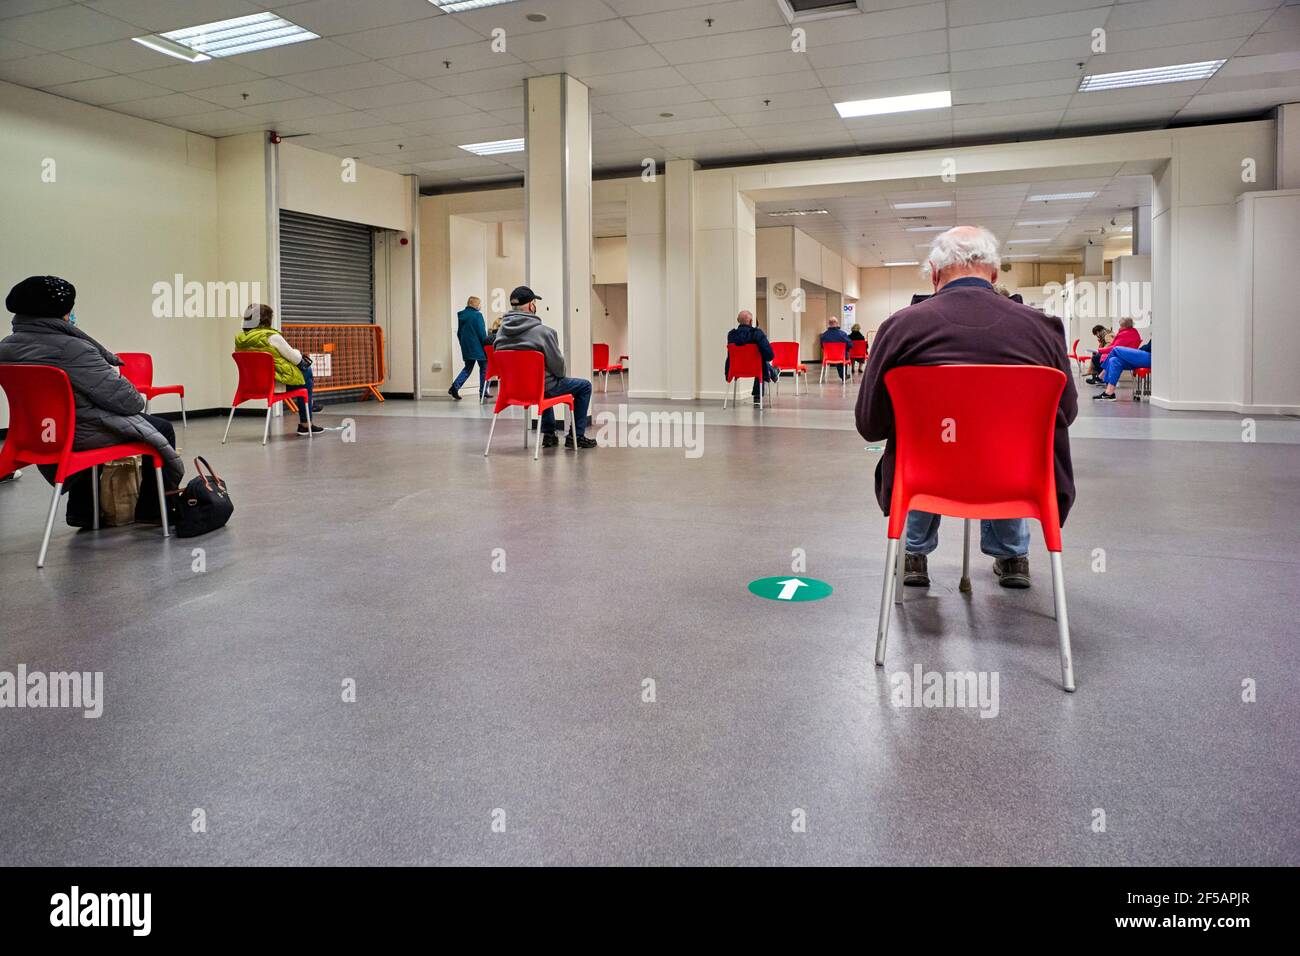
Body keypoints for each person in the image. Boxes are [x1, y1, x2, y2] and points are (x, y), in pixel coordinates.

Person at [855, 226, 1078, 590]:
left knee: (924, 436)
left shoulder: (899, 327)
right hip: (1015, 478)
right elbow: (1066, 413)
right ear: (993, 273)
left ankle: (912, 552)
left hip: (928, 476)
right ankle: (1012, 555)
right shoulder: (1042, 329)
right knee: (1011, 441)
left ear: (934, 273)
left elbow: (870, 424)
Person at [0, 275, 184, 527]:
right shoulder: (74, 349)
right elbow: (130, 402)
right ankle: (153, 509)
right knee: (161, 427)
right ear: (59, 312)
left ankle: (82, 510)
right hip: (74, 436)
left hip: (34, 435)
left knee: (82, 417)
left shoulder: (6, 347)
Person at [492, 286, 596, 449]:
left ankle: (549, 435)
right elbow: (559, 370)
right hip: (541, 388)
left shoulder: (500, 334)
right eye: (534, 302)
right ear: (531, 306)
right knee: (584, 386)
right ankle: (576, 436)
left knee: (541, 381)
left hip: (511, 390)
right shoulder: (545, 332)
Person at [234, 303, 323, 435]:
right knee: (307, 373)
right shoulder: (272, 337)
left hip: (251, 386)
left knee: (304, 380)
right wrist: (297, 351)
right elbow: (296, 359)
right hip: (273, 385)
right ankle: (306, 419)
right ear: (267, 320)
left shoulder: (240, 340)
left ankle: (309, 404)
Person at [725, 310, 777, 405]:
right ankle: (773, 372)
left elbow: (729, 356)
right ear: (751, 321)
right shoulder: (757, 334)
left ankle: (772, 373)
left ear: (738, 320)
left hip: (736, 369)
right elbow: (769, 356)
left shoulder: (731, 335)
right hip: (755, 369)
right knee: (761, 359)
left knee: (759, 359)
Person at [449, 295, 488, 401]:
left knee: (468, 368)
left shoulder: (462, 316)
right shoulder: (477, 315)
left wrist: (464, 344)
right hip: (479, 347)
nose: (480, 306)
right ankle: (483, 391)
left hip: (467, 347)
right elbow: (482, 333)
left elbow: (459, 333)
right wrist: (486, 344)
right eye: (479, 304)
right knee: (484, 367)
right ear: (475, 304)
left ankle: (455, 387)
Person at [1085, 317, 1140, 385]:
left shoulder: (1125, 334)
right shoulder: (1133, 332)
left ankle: (1102, 378)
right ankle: (1100, 377)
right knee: (1100, 356)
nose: (1120, 327)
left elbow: (1114, 347)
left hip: (1124, 355)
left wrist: (1100, 350)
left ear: (1125, 326)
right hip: (1127, 353)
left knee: (1097, 357)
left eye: (1121, 326)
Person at [820, 317, 853, 381]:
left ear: (829, 324)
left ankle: (843, 375)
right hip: (841, 357)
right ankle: (843, 375)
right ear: (837, 324)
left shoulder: (824, 335)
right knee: (844, 354)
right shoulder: (842, 334)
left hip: (828, 358)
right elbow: (850, 345)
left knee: (839, 355)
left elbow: (822, 346)